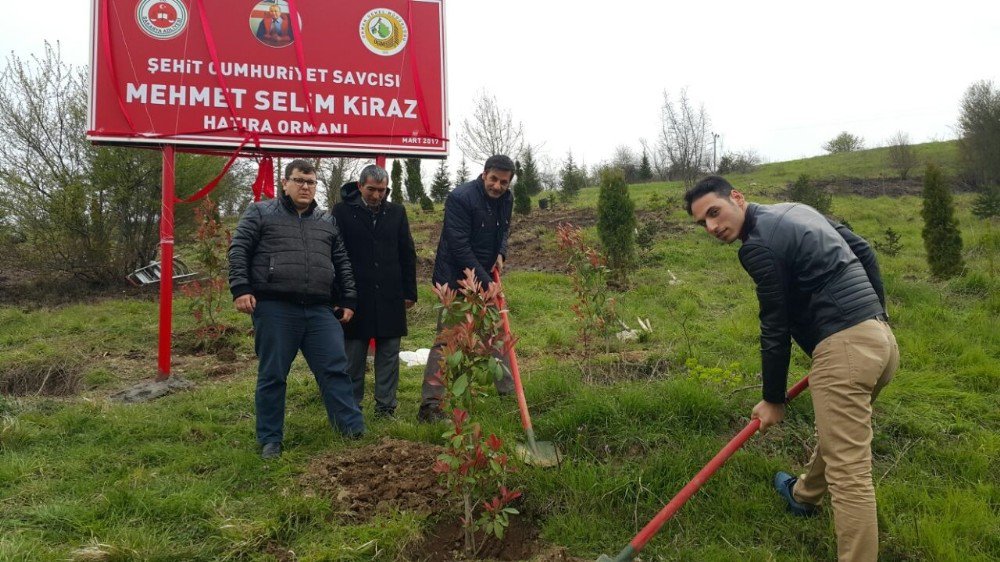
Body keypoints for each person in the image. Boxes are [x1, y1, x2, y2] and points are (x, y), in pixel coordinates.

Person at [684, 176, 899, 561]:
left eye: (714, 213)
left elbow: (774, 325)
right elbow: (863, 250)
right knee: (839, 434)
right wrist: (875, 313)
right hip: (881, 341)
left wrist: (772, 399)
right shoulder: (797, 210)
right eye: (703, 223)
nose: (712, 227)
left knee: (849, 476)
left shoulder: (757, 247)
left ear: (737, 197)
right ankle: (804, 496)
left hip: (845, 349)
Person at [229, 159, 364, 459]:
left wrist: (349, 299)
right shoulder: (260, 213)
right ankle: (270, 440)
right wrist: (241, 288)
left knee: (335, 370)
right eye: (299, 180)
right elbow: (239, 249)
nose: (306, 186)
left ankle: (352, 430)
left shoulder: (326, 220)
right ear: (285, 183)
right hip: (275, 307)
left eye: (311, 182)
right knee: (273, 375)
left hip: (319, 309)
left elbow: (341, 263)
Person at [417, 154, 517, 423]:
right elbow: (459, 246)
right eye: (494, 179)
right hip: (455, 279)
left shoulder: (506, 199)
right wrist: (488, 283)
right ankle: (430, 407)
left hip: (484, 278)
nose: (497, 186)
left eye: (503, 182)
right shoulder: (460, 198)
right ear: (484, 174)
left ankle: (509, 395)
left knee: (497, 335)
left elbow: (504, 230)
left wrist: (501, 253)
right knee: (448, 341)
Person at [332, 164, 417, 419]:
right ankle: (352, 407)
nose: (377, 195)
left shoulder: (397, 212)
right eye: (372, 189)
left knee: (389, 355)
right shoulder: (342, 212)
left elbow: (406, 252)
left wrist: (409, 291)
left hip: (391, 295)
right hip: (356, 297)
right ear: (360, 186)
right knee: (353, 357)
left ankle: (386, 407)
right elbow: (335, 255)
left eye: (382, 190)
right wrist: (339, 296)